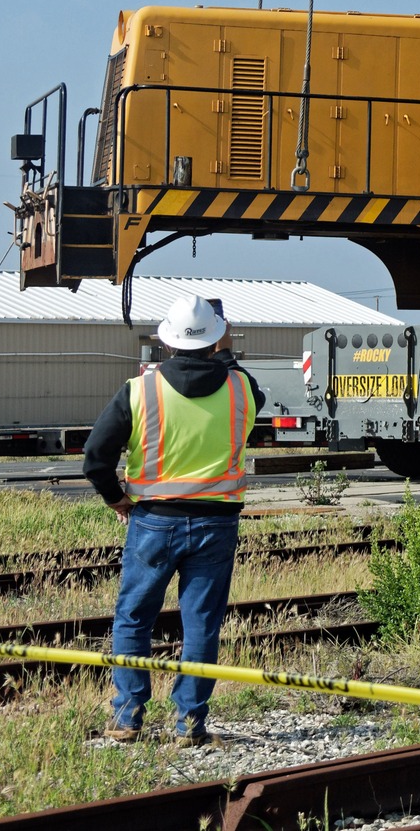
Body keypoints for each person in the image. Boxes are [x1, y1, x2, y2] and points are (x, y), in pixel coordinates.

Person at [83, 294, 260, 745]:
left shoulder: (139, 389)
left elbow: (95, 458)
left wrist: (117, 499)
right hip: (216, 524)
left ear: (165, 342)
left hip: (153, 523)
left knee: (134, 618)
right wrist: (224, 347)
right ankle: (189, 724)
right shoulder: (244, 390)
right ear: (219, 338)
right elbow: (239, 381)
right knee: (201, 623)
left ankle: (127, 718)